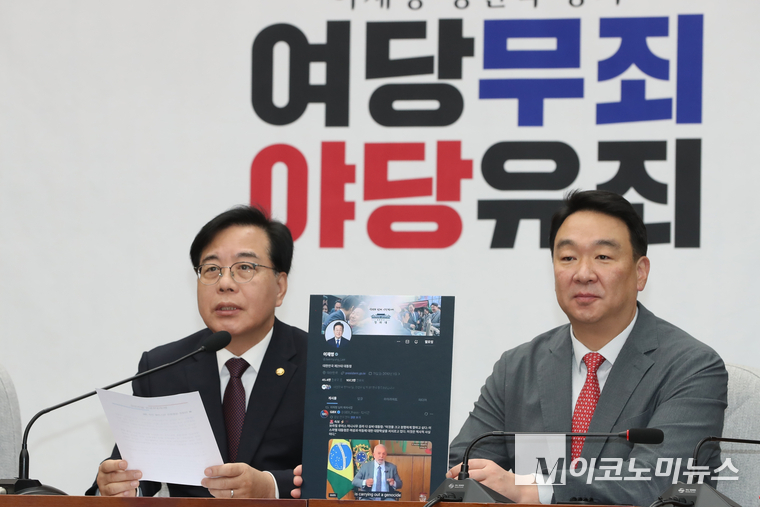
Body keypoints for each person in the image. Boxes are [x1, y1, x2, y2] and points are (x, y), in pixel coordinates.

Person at [447, 190, 727, 505]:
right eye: (568, 258)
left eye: (603, 257)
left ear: (640, 272)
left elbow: (660, 482)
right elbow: (463, 468)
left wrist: (533, 489)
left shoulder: (692, 366)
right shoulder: (517, 368)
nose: (583, 274)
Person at [87, 206, 306, 499]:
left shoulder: (322, 366)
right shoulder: (163, 369)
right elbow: (135, 477)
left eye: (244, 267)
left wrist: (271, 488)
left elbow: (351, 476)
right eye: (211, 269)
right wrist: (116, 488)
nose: (225, 283)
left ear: (280, 287)